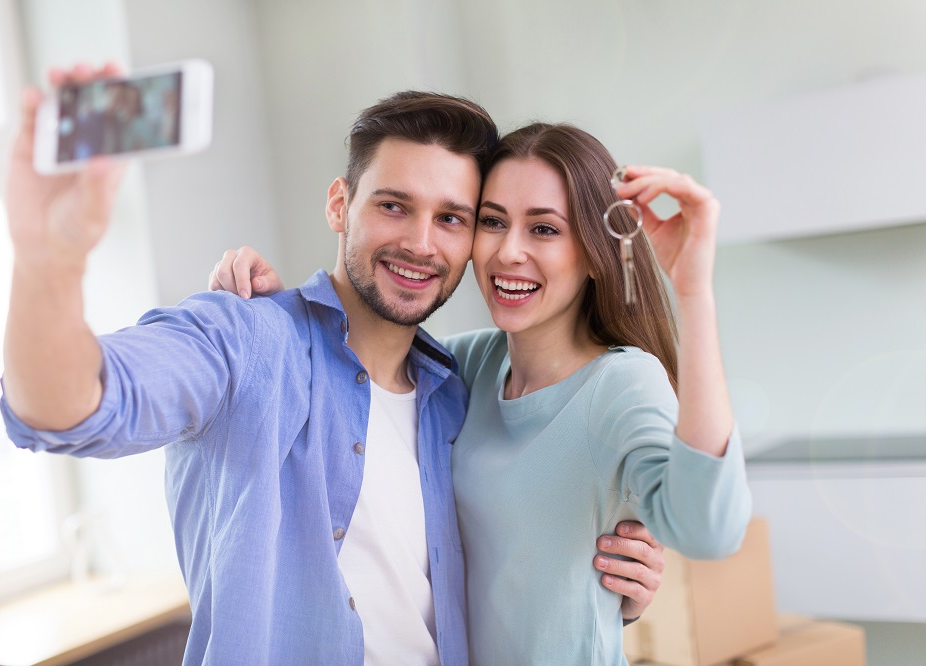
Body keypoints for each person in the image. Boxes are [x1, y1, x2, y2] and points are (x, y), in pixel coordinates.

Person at [0, 63, 664, 665]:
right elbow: (69, 406)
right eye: (394, 205)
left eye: (453, 218)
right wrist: (46, 262)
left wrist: (611, 587)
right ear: (339, 205)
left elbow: (508, 551)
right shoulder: (246, 339)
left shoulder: (456, 391)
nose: (420, 242)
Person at [209, 122, 753, 663]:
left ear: (592, 253)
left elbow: (710, 531)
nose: (509, 252)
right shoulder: (461, 366)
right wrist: (277, 318)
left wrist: (693, 289)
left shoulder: (618, 384)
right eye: (493, 222)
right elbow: (352, 371)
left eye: (543, 229)